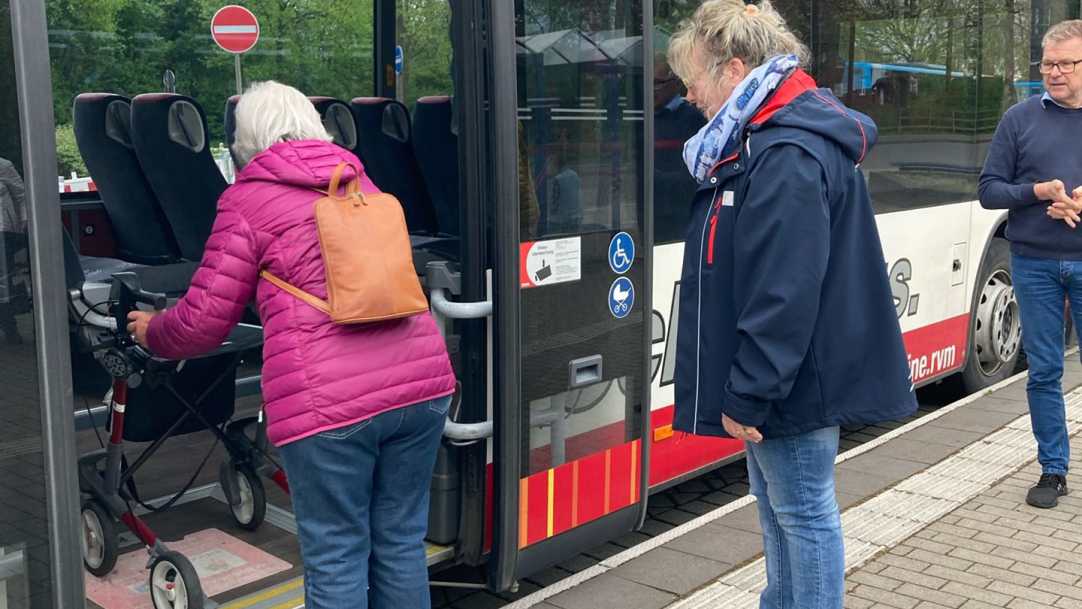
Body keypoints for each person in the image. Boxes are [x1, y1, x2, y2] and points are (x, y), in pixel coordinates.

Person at [126, 81, 457, 609]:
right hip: (421, 390)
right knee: (398, 542)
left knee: (338, 554)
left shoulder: (248, 200)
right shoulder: (359, 181)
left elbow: (206, 320)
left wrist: (154, 330)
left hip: (330, 408)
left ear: (246, 138)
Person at [668, 2, 917, 607]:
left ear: (732, 69)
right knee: (783, 509)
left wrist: (750, 388)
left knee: (802, 514)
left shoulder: (782, 151)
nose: (689, 96)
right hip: (790, 376)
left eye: (692, 80)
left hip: (791, 383)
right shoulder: (773, 138)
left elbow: (784, 290)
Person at [978, 19, 1082, 510]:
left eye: (1066, 64)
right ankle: (1053, 470)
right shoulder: (1018, 119)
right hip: (1033, 263)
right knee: (1043, 371)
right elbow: (988, 190)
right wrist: (1037, 193)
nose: (1055, 73)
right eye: (1048, 64)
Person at [654, 54, 706, 243]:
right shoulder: (648, 118)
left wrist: (660, 179)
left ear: (675, 84)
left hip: (680, 214)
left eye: (658, 83)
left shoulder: (693, 118)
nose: (652, 90)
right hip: (653, 211)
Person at [0, 157, 28, 345]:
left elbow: (21, 195)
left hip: (3, 232)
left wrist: (25, 222)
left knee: (3, 281)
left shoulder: (3, 165)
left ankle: (10, 328)